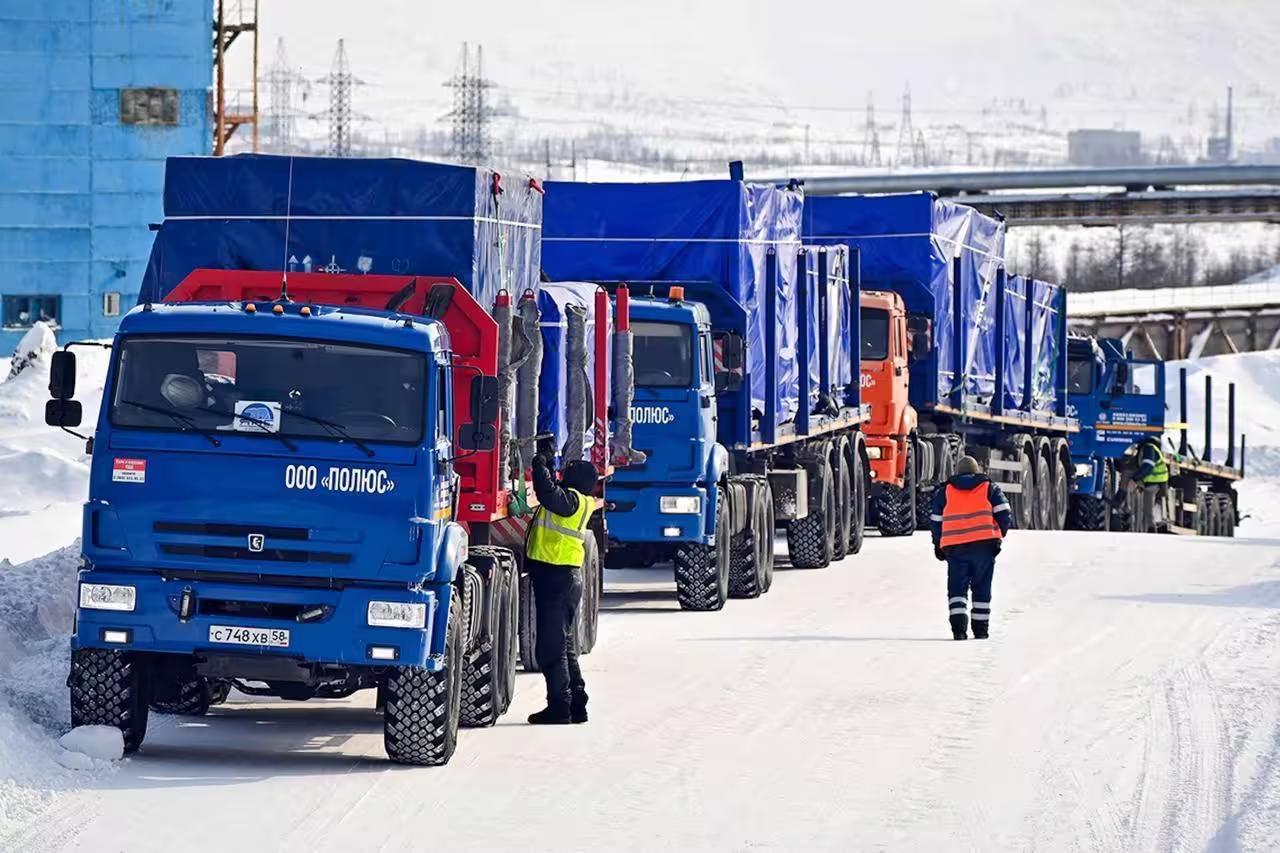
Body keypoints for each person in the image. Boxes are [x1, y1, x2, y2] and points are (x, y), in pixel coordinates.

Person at [524, 452, 598, 725]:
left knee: (550, 648)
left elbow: (547, 492)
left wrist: (539, 466)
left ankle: (559, 707)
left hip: (558, 577)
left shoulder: (574, 502)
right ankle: (577, 703)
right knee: (564, 646)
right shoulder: (578, 501)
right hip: (562, 578)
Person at [930, 456, 1012, 641]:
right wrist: (1000, 535)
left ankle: (959, 630)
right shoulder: (989, 488)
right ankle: (981, 630)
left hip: (955, 550)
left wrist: (937, 544)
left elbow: (936, 520)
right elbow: (1004, 512)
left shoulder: (945, 492)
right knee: (982, 587)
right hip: (984, 546)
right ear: (976, 471)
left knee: (957, 589)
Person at [1123, 436, 1169, 533]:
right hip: (1152, 482)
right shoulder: (1151, 448)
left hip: (1152, 483)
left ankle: (1126, 507)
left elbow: (1147, 467)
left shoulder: (1149, 449)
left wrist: (1135, 480)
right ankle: (1151, 528)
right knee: (1148, 509)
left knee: (1147, 509)